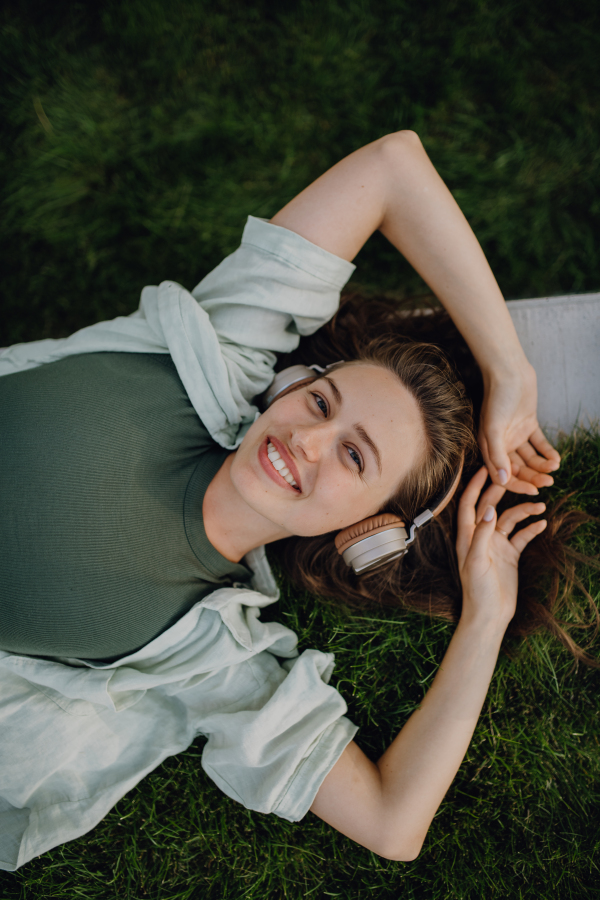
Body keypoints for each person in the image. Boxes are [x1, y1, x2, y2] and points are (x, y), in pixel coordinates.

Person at [0, 132, 566, 869]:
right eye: (323, 403)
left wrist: (485, 618)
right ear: (292, 385)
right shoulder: (206, 354)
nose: (307, 439)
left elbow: (394, 824)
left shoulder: (208, 658)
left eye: (354, 456)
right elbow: (393, 167)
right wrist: (509, 371)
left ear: (366, 532)